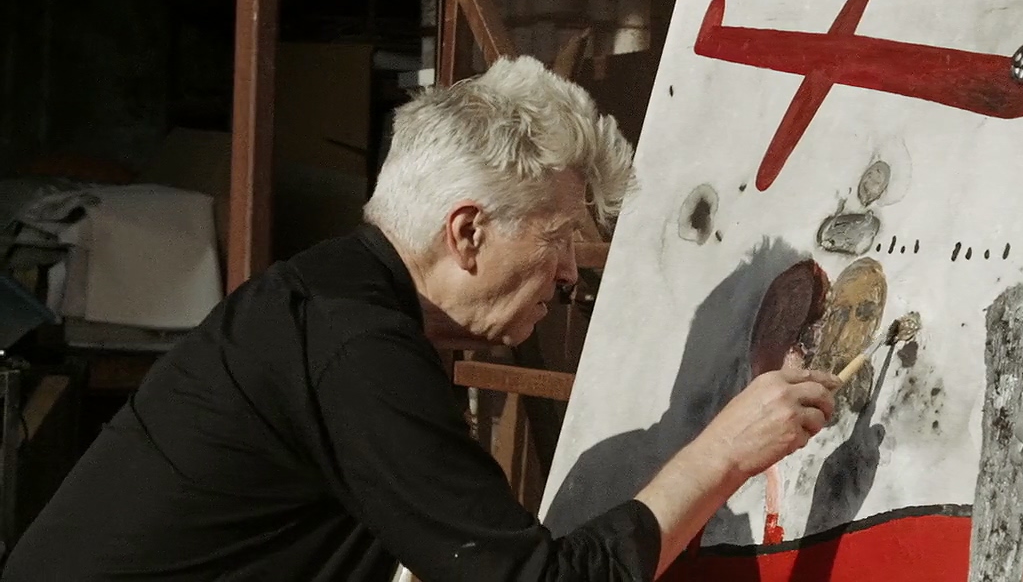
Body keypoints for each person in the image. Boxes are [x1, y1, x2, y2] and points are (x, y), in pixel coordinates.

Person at [2, 56, 840, 581]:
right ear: (467, 231)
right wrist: (722, 451)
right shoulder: (354, 344)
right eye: (554, 241)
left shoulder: (334, 298)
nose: (563, 274)